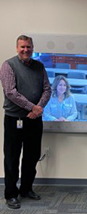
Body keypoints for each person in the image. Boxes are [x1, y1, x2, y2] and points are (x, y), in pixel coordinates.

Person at [0, 35, 51, 209]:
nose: (25, 50)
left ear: (33, 48)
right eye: (22, 47)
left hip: (34, 120)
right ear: (17, 48)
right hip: (15, 119)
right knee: (12, 158)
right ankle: (11, 194)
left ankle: (26, 189)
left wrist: (38, 109)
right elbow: (10, 92)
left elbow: (47, 89)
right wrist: (32, 108)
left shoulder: (39, 66)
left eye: (28, 47)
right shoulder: (8, 65)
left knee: (32, 156)